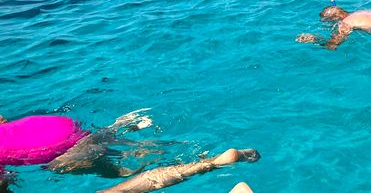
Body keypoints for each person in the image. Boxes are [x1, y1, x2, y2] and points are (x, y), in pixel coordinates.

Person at [0, 110, 259, 193]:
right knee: (97, 149)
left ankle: (209, 163)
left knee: (114, 187)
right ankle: (122, 127)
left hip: (57, 148)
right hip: (54, 125)